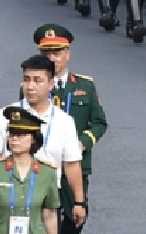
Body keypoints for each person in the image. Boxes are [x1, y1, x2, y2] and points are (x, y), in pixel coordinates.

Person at [0, 55, 86, 228]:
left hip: (45, 200)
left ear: (51, 84)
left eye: (37, 80)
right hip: (8, 197)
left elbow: (72, 164)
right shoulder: (3, 116)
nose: (30, 86)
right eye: (26, 80)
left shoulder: (64, 121)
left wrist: (79, 202)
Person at [29, 23, 106, 231]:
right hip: (43, 163)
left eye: (57, 53)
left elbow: (99, 123)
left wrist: (83, 142)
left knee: (75, 219)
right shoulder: (33, 86)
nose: (52, 58)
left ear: (67, 54)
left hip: (75, 164)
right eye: (47, 53)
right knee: (41, 220)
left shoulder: (84, 86)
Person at [0, 106, 61, 234]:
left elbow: (50, 216)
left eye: (21, 134)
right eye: (12, 134)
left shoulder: (47, 172)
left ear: (34, 138)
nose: (15, 138)